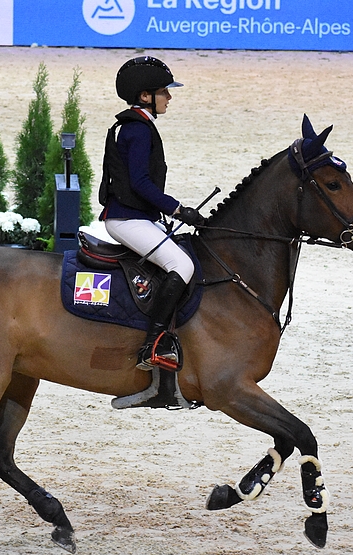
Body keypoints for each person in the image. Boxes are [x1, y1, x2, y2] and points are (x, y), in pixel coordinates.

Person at [98, 56, 205, 371]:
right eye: (164, 92)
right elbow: (141, 183)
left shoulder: (133, 124)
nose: (169, 98)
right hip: (126, 219)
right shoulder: (138, 130)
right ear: (145, 96)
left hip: (136, 216)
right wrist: (177, 209)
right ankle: (152, 345)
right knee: (181, 264)